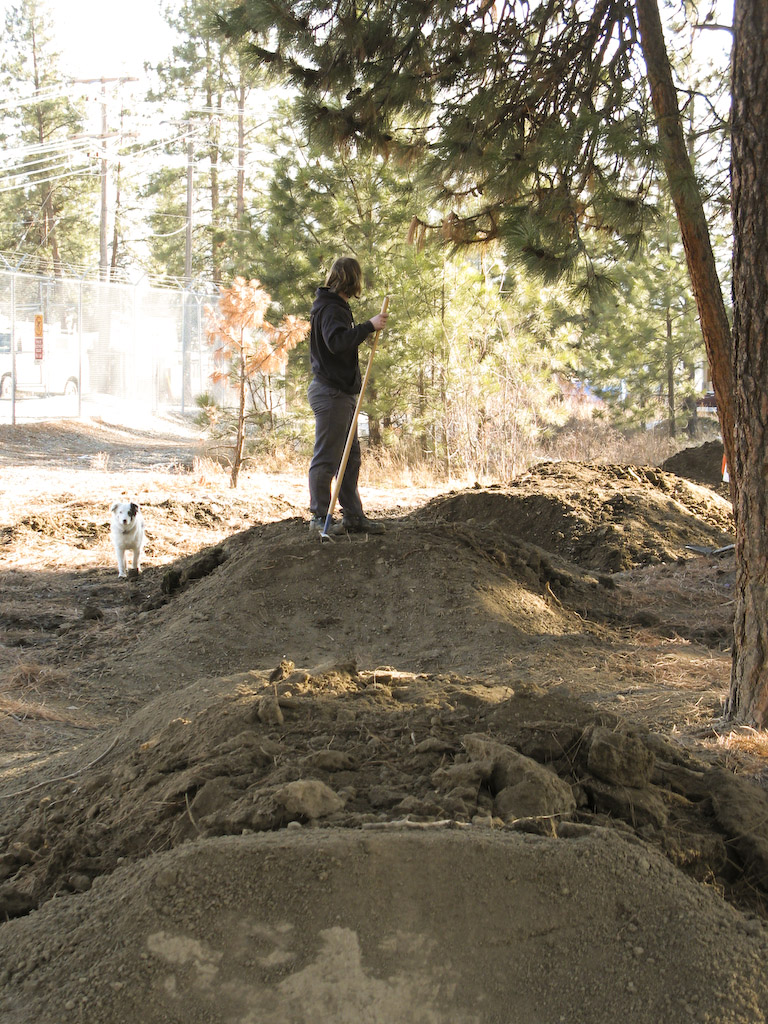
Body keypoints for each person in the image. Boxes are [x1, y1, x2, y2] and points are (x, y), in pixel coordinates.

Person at [307, 257, 389, 536]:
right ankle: (319, 518)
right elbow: (336, 342)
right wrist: (368, 326)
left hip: (340, 392)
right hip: (331, 394)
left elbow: (340, 340)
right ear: (352, 279)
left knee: (350, 458)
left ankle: (353, 515)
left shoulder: (334, 306)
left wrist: (364, 329)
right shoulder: (331, 308)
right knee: (328, 458)